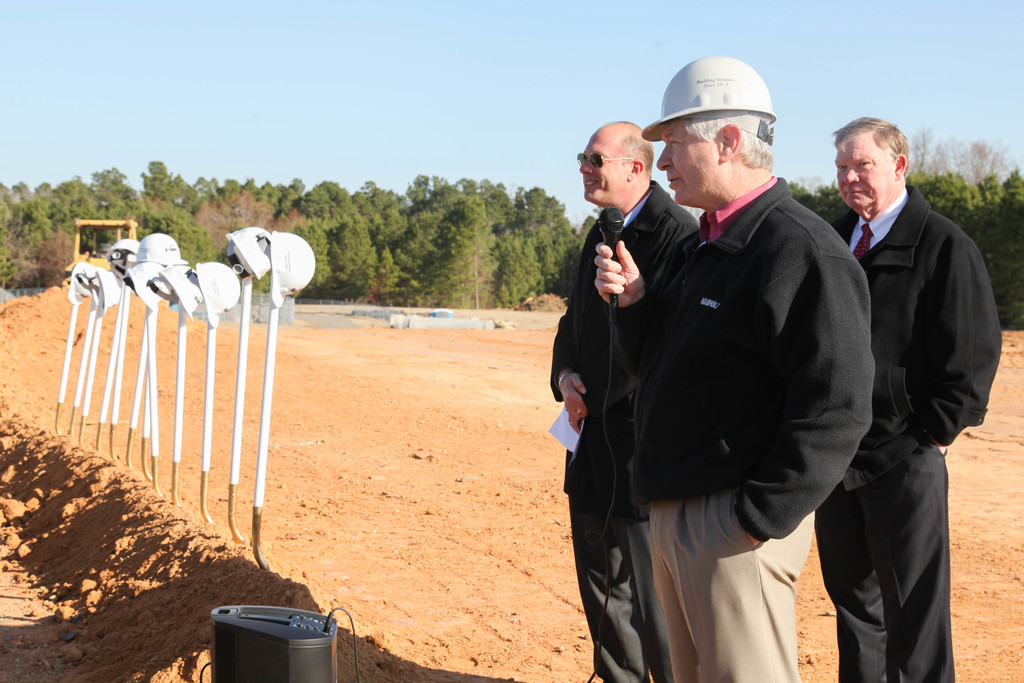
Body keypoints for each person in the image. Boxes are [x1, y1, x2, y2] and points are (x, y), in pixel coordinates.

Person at [592, 57, 875, 681]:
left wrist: (755, 519)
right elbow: (654, 366)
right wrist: (637, 306)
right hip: (675, 510)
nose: (662, 165)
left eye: (672, 146)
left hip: (730, 527)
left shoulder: (801, 251)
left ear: (726, 141)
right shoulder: (702, 246)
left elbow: (838, 408)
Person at [815, 117, 1002, 683]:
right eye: (842, 168)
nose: (849, 178)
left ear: (898, 166)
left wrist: (931, 439)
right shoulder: (829, 241)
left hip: (905, 457)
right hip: (835, 457)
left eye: (861, 165)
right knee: (854, 611)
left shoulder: (945, 245)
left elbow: (970, 359)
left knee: (915, 620)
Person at [552, 121, 695, 683]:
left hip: (640, 446)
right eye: (582, 159)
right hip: (588, 442)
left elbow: (666, 340)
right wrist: (564, 377)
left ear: (637, 167)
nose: (585, 168)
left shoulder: (677, 234)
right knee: (601, 592)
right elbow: (574, 322)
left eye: (595, 159)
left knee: (650, 599)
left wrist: (602, 398)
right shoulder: (600, 231)